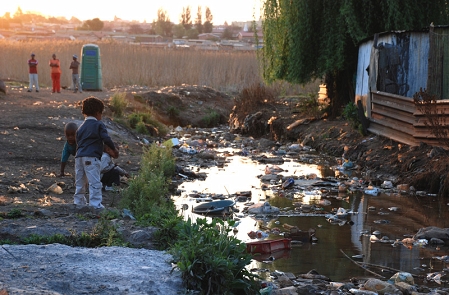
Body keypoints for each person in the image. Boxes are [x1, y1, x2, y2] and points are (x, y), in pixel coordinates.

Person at [74, 96, 118, 209]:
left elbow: (78, 141)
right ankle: (95, 204)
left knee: (80, 182)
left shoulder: (81, 127)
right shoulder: (99, 125)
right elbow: (106, 138)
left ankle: (78, 203)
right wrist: (113, 149)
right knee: (94, 182)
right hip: (92, 157)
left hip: (79, 157)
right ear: (98, 113)